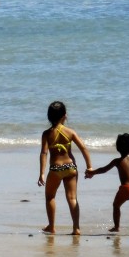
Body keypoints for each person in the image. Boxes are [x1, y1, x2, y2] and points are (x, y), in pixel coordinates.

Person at [38, 101, 91, 235]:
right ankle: (76, 228)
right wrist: (89, 166)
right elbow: (83, 148)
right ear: (64, 116)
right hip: (71, 167)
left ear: (49, 117)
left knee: (50, 197)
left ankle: (51, 226)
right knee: (72, 198)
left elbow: (44, 153)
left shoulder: (46, 134)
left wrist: (42, 173)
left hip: (55, 169)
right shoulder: (70, 132)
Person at [85, 133, 129, 235]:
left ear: (118, 147)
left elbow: (104, 169)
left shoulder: (117, 161)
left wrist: (92, 172)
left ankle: (116, 227)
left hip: (125, 188)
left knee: (116, 205)